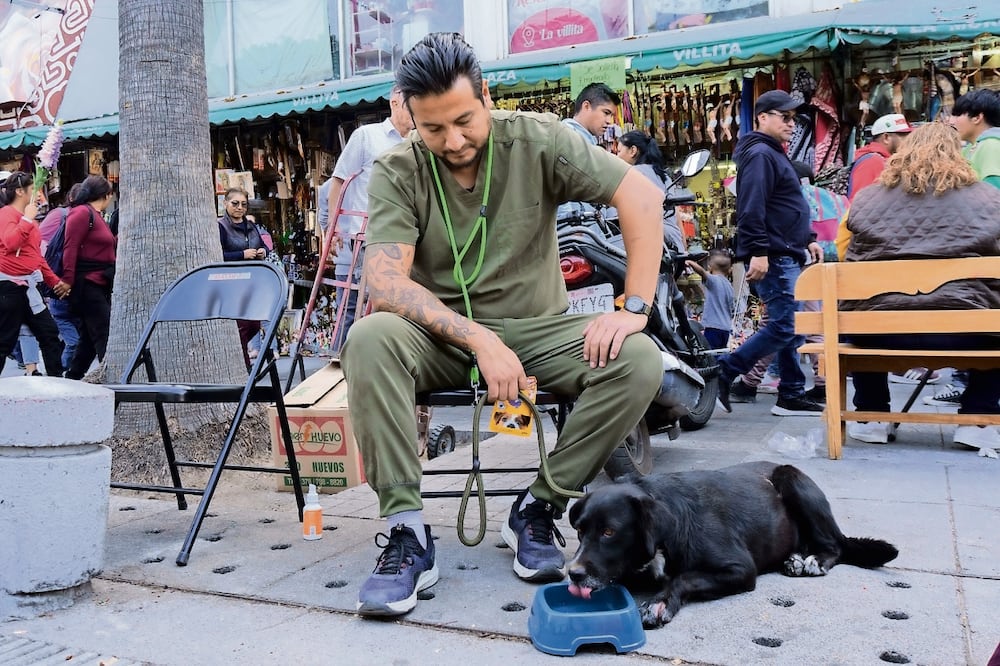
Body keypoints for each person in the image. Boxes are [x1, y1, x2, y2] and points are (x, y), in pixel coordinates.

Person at [340, 32, 664, 617]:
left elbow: (639, 197)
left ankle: (538, 505)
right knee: (368, 338)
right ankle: (407, 533)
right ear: (409, 116)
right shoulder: (396, 168)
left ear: (486, 95)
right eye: (432, 129)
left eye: (465, 120)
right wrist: (478, 338)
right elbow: (385, 283)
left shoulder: (539, 138)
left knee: (640, 361)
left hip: (538, 331)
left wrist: (634, 308)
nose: (453, 141)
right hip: (441, 337)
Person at [842, 122, 1000, 450]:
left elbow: (851, 259)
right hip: (967, 332)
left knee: (864, 312)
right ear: (957, 154)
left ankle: (872, 417)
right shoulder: (989, 199)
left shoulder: (868, 198)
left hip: (879, 331)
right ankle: (979, 420)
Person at [714, 90, 825, 417]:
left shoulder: (772, 153)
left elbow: (783, 206)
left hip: (784, 251)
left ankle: (790, 392)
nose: (792, 124)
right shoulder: (761, 154)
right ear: (762, 117)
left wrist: (807, 238)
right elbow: (752, 208)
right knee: (785, 327)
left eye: (793, 118)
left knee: (786, 327)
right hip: (773, 256)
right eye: (784, 117)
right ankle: (726, 369)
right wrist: (759, 252)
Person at [324, 85, 413, 352]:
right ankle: (340, 365)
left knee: (391, 307)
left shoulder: (416, 141)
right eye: (411, 104)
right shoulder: (366, 136)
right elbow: (338, 181)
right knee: (356, 304)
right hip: (366, 235)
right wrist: (334, 227)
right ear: (395, 102)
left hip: (401, 236)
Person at [0, 170, 69, 376]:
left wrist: (54, 281)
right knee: (4, 342)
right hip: (9, 287)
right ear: (20, 192)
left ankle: (57, 383)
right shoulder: (6, 215)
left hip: (28, 286)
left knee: (49, 334)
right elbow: (11, 243)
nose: (39, 195)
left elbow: (35, 257)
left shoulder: (25, 218)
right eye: (33, 189)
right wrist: (27, 220)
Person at [61, 175, 116, 380]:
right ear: (107, 195)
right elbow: (70, 247)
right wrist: (67, 280)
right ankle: (114, 381)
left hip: (99, 282)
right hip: (87, 284)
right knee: (104, 333)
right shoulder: (82, 213)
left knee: (88, 339)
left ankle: (73, 377)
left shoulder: (95, 214)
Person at [217, 187, 267, 369]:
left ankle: (240, 356)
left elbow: (263, 245)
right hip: (232, 283)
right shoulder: (221, 227)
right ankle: (243, 365)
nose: (239, 208)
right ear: (225, 204)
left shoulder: (251, 226)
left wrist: (263, 251)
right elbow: (217, 255)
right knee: (242, 325)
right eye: (235, 203)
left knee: (254, 323)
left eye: (243, 204)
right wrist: (241, 254)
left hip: (252, 282)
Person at [556, 82, 620, 222]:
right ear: (586, 106)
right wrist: (570, 226)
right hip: (576, 233)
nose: (609, 121)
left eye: (612, 116)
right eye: (606, 113)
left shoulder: (584, 140)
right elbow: (561, 187)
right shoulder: (568, 138)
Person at [615, 129, 684, 251]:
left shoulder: (630, 174)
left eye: (619, 151)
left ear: (633, 151)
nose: (617, 156)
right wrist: (684, 250)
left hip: (649, 242)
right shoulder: (664, 177)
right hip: (673, 242)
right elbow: (677, 218)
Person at [39, 183, 83, 370]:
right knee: (73, 341)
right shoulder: (63, 216)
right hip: (59, 285)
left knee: (76, 339)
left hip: (66, 287)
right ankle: (60, 374)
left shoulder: (68, 216)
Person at [847, 113, 913, 201]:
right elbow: (858, 204)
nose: (909, 141)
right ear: (886, 138)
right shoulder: (872, 162)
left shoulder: (884, 160)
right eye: (904, 136)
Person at [685, 250, 733, 349]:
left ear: (710, 267)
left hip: (713, 327)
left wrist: (690, 262)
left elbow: (702, 272)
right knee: (720, 354)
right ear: (729, 270)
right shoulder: (729, 286)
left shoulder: (714, 281)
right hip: (726, 328)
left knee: (710, 356)